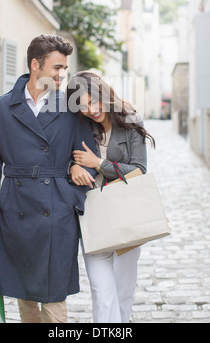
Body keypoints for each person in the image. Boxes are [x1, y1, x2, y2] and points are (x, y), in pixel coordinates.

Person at [0, 35, 97, 324]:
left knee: (54, 299)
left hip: (58, 211)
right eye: (56, 67)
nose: (61, 74)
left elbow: (89, 158)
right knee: (24, 295)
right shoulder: (1, 109)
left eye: (64, 68)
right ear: (35, 65)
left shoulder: (72, 107)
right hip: (16, 210)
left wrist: (74, 187)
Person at [66, 71, 155, 323]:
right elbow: (61, 160)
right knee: (101, 292)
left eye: (93, 101)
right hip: (92, 216)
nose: (91, 110)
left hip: (126, 217)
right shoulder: (78, 126)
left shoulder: (129, 120)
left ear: (103, 94)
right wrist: (72, 168)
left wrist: (99, 163)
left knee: (123, 292)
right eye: (82, 106)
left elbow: (139, 171)